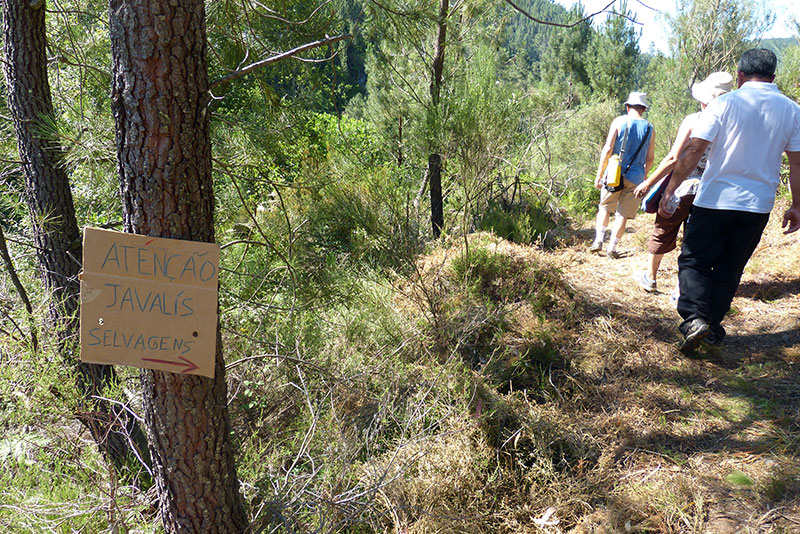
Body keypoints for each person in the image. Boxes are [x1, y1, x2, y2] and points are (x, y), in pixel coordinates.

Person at [658, 49, 800, 354]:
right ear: (774, 76)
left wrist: (670, 189)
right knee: (730, 266)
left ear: (740, 75)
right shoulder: (792, 110)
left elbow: (695, 149)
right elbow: (798, 163)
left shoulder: (724, 103)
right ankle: (712, 325)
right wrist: (796, 205)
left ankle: (695, 318)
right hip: (757, 205)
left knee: (694, 259)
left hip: (715, 199)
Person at [631, 72, 733, 294]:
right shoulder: (731, 126)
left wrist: (648, 182)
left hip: (682, 188)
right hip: (712, 192)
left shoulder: (694, 120)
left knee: (663, 229)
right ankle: (683, 288)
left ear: (703, 99)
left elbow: (673, 158)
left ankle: (650, 277)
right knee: (695, 240)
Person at [590, 92, 656, 258]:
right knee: (623, 214)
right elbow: (650, 159)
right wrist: (644, 177)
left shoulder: (619, 121)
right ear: (644, 109)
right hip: (636, 176)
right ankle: (612, 247)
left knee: (605, 207)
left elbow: (607, 149)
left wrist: (599, 175)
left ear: (627, 107)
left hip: (613, 172)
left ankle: (598, 240)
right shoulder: (649, 128)